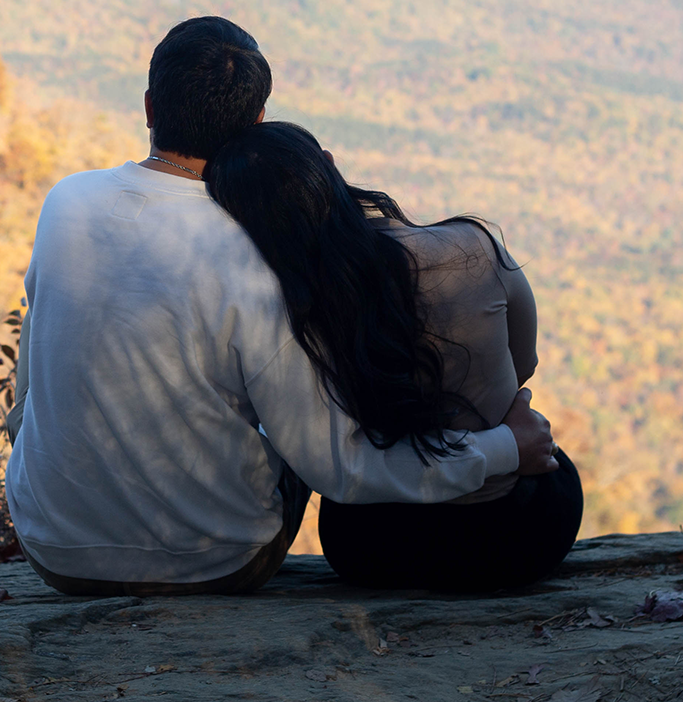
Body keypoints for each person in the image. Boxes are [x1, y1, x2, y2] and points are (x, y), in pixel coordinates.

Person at [4, 16, 561, 596]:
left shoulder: (65, 201)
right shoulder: (257, 250)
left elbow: (28, 394)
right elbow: (339, 466)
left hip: (51, 547)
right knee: (301, 428)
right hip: (212, 561)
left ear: (149, 107)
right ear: (258, 124)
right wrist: (503, 448)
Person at [204, 120, 583, 591]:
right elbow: (522, 364)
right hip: (519, 537)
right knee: (555, 465)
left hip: (376, 548)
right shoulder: (473, 246)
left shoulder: (290, 306)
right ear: (328, 164)